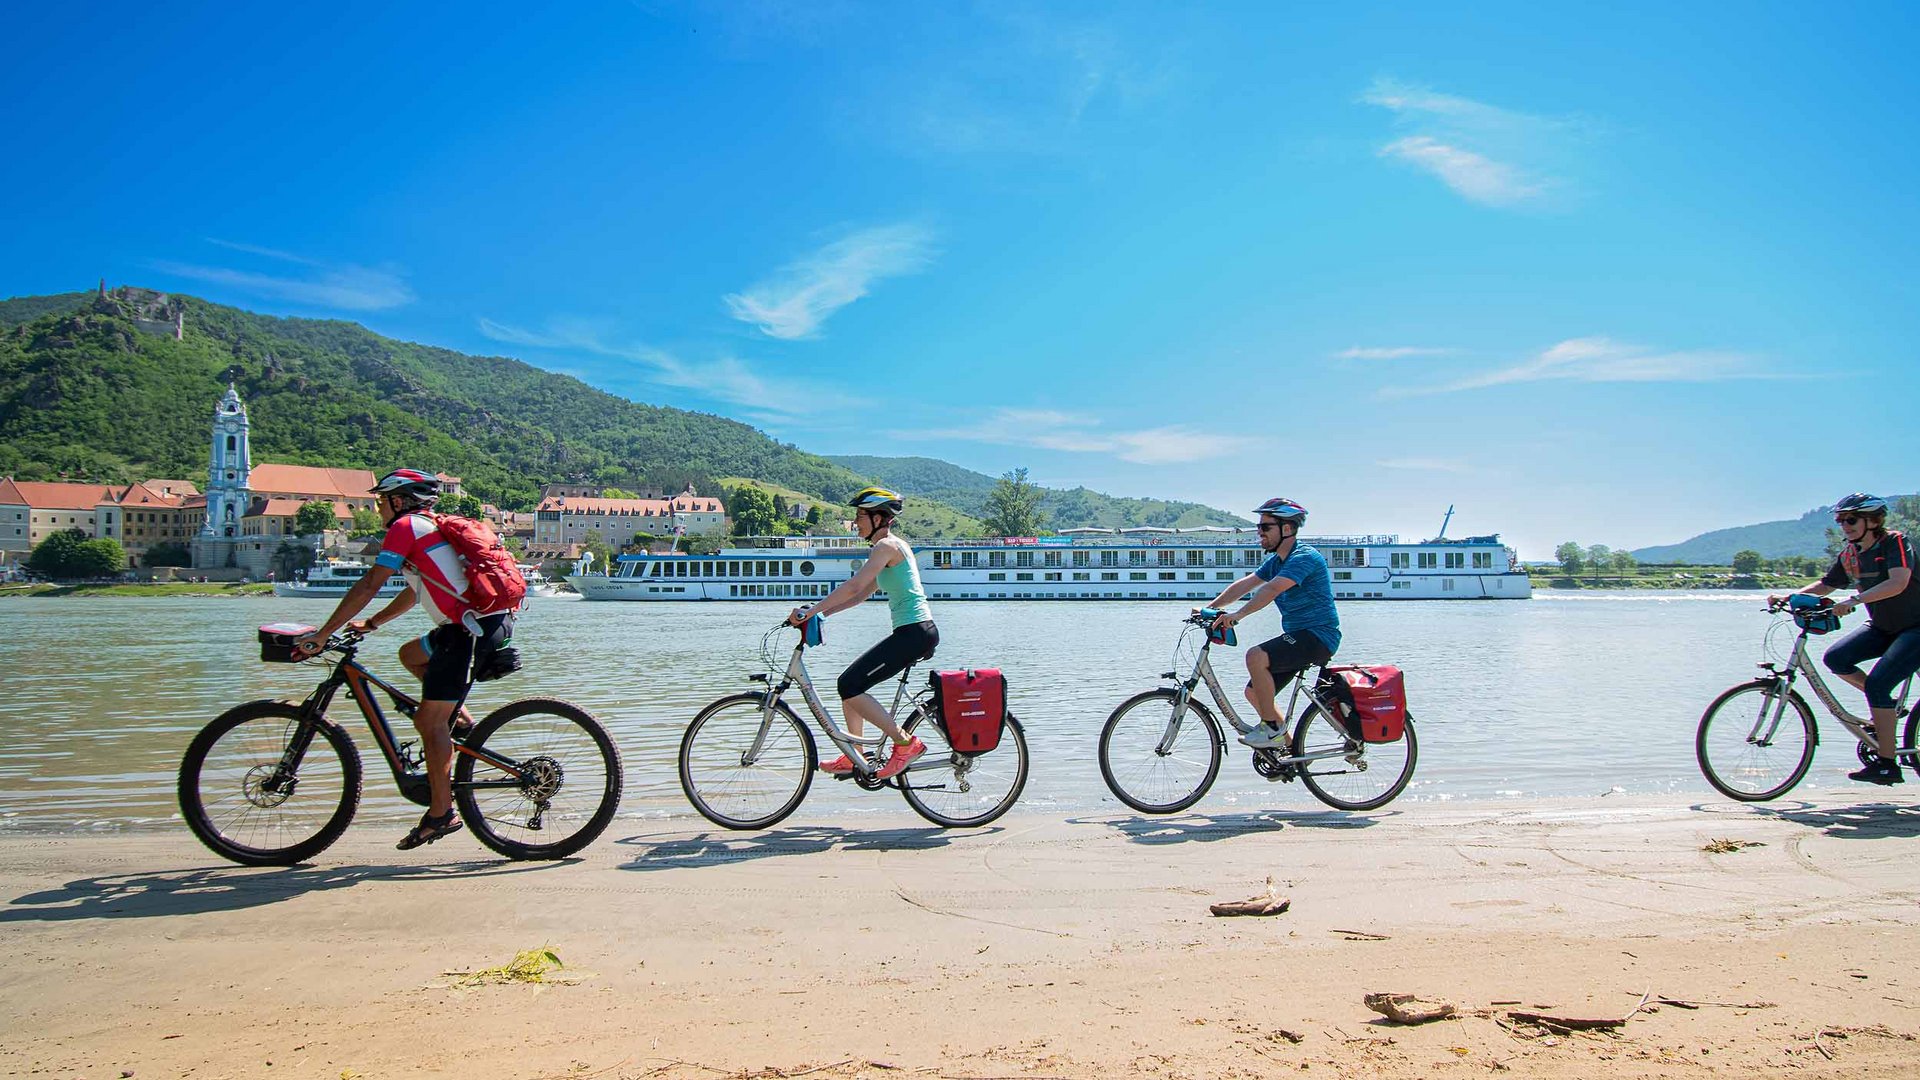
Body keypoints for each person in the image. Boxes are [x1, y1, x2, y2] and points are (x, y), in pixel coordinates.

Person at [294, 469, 513, 845]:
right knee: (410, 654)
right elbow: (415, 593)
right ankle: (458, 721)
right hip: (468, 627)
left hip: (464, 634)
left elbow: (369, 584)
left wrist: (323, 634)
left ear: (398, 500)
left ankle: (442, 813)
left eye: (381, 501)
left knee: (429, 725)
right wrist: (373, 623)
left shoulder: (406, 528)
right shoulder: (428, 528)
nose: (378, 508)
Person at [785, 487, 933, 780]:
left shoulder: (887, 547)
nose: (856, 522)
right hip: (913, 632)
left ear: (879, 517)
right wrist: (822, 615)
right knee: (848, 685)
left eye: (860, 516)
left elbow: (853, 586)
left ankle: (906, 742)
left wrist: (810, 611)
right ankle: (856, 754)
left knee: (850, 685)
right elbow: (860, 595)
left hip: (915, 633)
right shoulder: (889, 550)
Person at [1771, 493, 1917, 785]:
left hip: (1916, 628)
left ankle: (1888, 765)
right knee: (1836, 658)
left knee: (1877, 683)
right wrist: (1791, 596)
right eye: (1840, 520)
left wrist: (1854, 599)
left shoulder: (1894, 543)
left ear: (1873, 521)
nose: (1844, 525)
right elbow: (1826, 585)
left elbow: (1898, 582)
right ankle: (1886, 706)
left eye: (1851, 519)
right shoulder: (1851, 554)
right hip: (1884, 627)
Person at [1202, 497, 1342, 751]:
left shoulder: (1304, 557)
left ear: (1286, 529)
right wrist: (1211, 608)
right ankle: (1289, 754)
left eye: (1265, 527)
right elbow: (1247, 583)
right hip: (1299, 635)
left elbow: (1271, 590)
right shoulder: (1277, 561)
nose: (1259, 532)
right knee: (1255, 693)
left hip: (1318, 636)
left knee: (1256, 656)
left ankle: (1272, 729)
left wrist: (1237, 616)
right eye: (1259, 526)